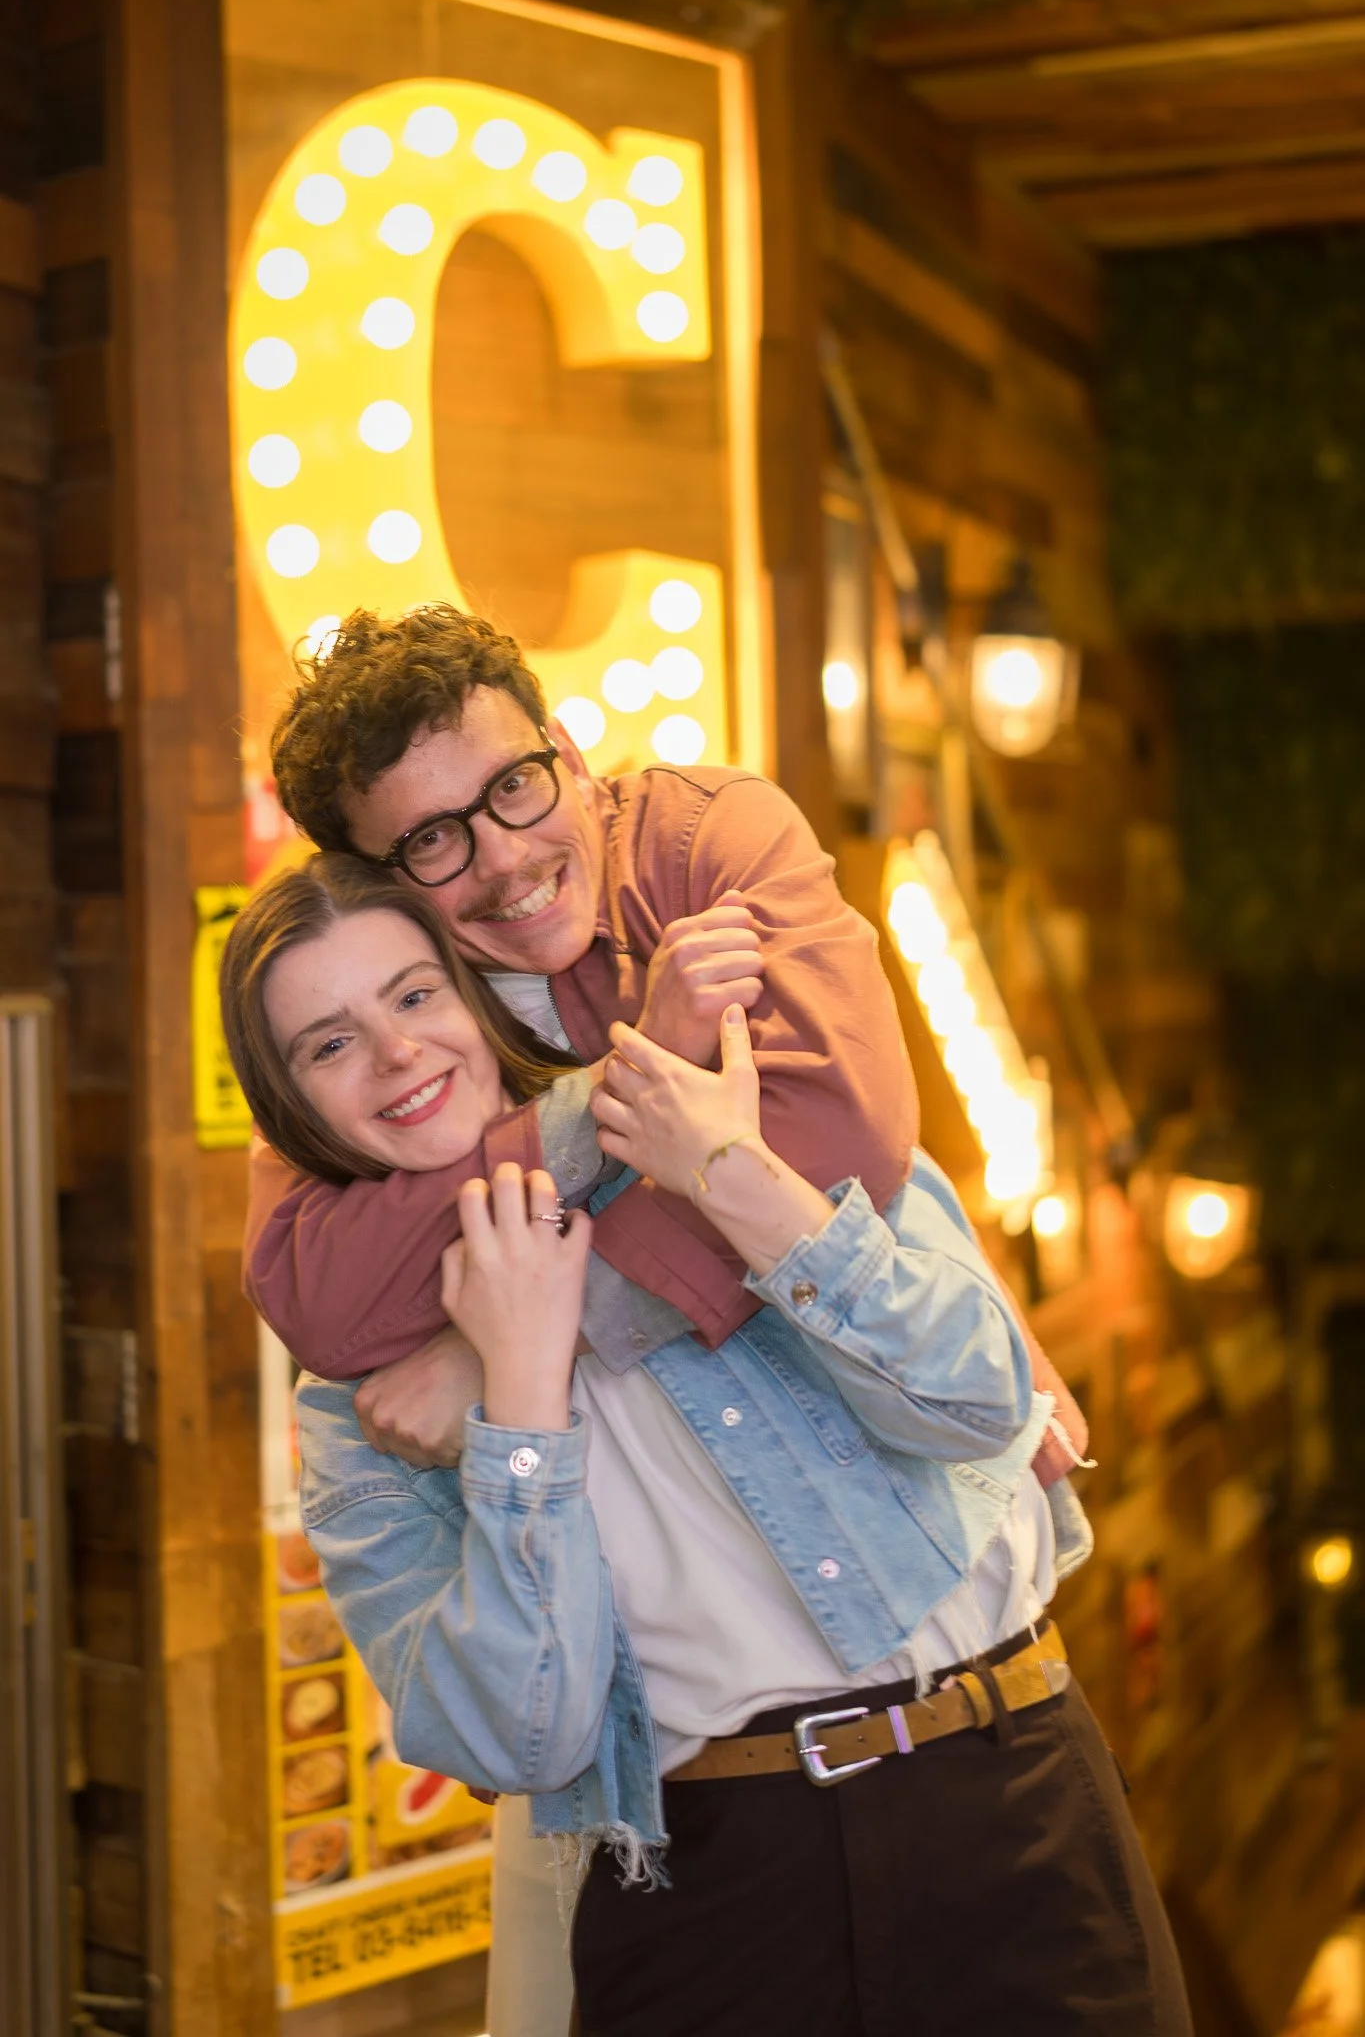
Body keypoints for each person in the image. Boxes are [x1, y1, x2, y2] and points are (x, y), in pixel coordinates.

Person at [221, 853, 1192, 2037]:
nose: (396, 1054)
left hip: (1010, 1786)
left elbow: (989, 1401)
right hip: (713, 1884)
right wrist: (518, 1400)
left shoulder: (739, 1107)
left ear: (476, 996)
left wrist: (723, 1191)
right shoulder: (360, 1410)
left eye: (415, 994)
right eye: (327, 1044)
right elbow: (520, 1737)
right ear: (292, 1109)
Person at [246, 603, 1091, 1492]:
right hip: (692, 1584)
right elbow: (323, 1300)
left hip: (934, 1501)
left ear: (567, 755)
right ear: (376, 879)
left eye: (514, 786)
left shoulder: (705, 841)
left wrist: (514, 1338)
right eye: (431, 841)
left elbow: (840, 1135)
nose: (503, 859)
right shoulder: (379, 1009)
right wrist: (619, 1086)